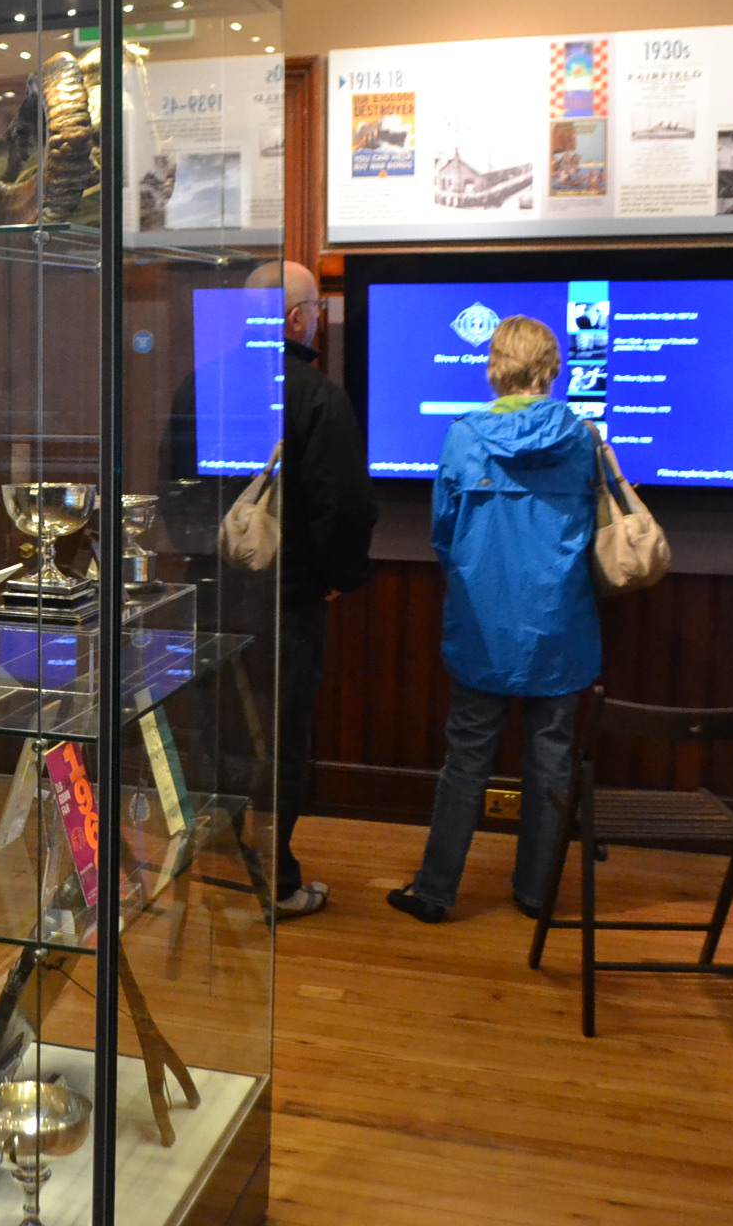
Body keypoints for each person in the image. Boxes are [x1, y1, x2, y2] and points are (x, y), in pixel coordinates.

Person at [388, 315, 599, 924]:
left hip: (484, 622)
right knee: (552, 760)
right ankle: (537, 893)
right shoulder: (582, 436)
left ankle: (435, 891)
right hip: (560, 623)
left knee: (466, 759)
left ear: (496, 365)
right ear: (551, 365)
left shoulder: (463, 437)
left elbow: (444, 535)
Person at [248, 259, 378, 919]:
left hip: (211, 602)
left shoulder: (201, 385)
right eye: (319, 308)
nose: (320, 319)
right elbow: (345, 509)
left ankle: (225, 871)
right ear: (299, 319)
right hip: (288, 603)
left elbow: (172, 492)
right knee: (282, 742)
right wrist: (337, 579)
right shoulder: (319, 397)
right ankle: (276, 880)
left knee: (226, 740)